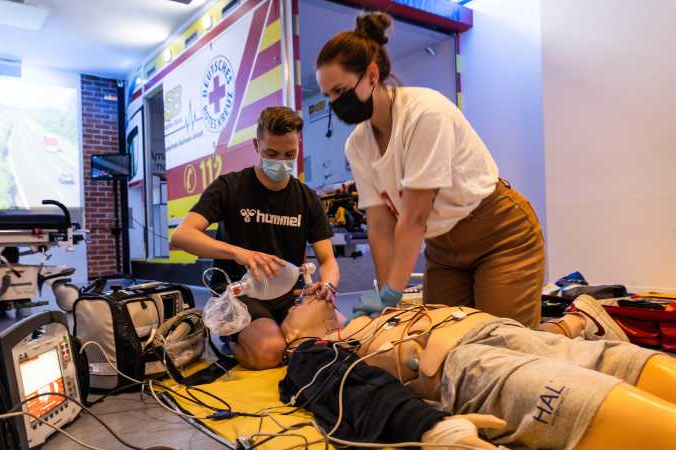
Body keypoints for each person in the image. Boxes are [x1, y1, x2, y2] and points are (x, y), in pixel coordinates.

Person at [314, 12, 545, 327]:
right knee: (438, 342)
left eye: (340, 91)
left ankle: (574, 324)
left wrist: (392, 293)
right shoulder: (357, 145)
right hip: (443, 250)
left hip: (499, 235)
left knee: (502, 344)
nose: (335, 103)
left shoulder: (425, 113)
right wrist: (386, 309)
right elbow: (380, 226)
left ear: (371, 74)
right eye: (328, 96)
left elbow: (414, 218)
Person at [279, 293, 676, 450]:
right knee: (586, 396)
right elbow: (354, 390)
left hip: (494, 329)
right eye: (300, 300)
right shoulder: (313, 353)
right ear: (290, 329)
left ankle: (571, 329)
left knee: (630, 363)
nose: (314, 293)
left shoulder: (370, 313)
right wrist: (429, 427)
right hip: (464, 367)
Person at [171, 106, 340, 370]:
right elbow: (182, 236)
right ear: (256, 145)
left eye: (289, 155)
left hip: (290, 293)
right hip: (241, 294)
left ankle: (281, 333)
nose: (281, 162)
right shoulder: (230, 187)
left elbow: (328, 260)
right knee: (269, 352)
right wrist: (238, 253)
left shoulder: (307, 198)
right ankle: (233, 338)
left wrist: (328, 286)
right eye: (271, 154)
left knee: (334, 338)